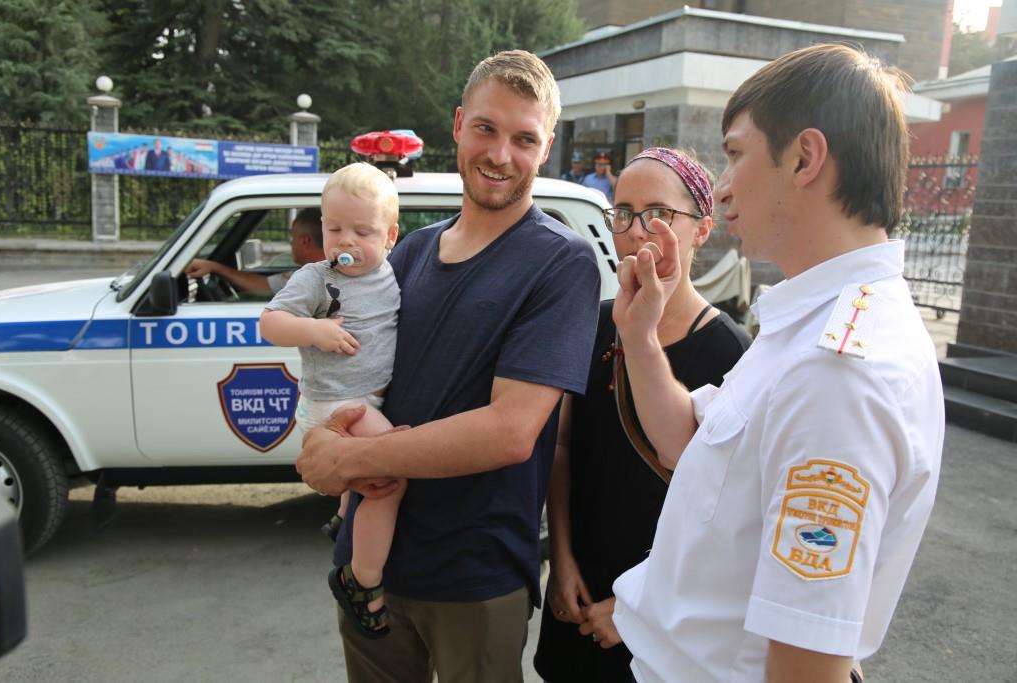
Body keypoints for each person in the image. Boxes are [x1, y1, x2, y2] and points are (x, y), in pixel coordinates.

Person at [602, 44, 944, 682]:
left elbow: (806, 663)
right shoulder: (811, 326)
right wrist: (641, 338)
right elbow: (688, 442)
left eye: (735, 154)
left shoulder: (837, 370)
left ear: (805, 158)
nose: (722, 186)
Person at [296, 50, 601, 683]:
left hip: (472, 577)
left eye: (525, 139)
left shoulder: (561, 262)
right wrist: (324, 433)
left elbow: (511, 432)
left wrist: (350, 460)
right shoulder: (409, 252)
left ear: (545, 148)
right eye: (486, 128)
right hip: (369, 567)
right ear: (459, 125)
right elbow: (358, 372)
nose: (500, 154)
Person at [534, 147, 751, 683]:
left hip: (668, 610)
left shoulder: (730, 353)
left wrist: (641, 604)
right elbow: (563, 446)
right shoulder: (593, 322)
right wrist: (560, 559)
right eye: (623, 212)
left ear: (701, 230)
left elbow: (728, 516)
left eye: (657, 213)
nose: (634, 230)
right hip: (579, 582)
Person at [260, 162, 402, 639]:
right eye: (335, 228)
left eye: (362, 231)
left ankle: (344, 516)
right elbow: (270, 323)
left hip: (366, 398)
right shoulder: (317, 278)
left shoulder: (389, 274)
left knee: (369, 474)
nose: (346, 241)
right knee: (389, 477)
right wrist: (313, 330)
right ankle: (363, 579)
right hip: (337, 404)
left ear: (390, 237)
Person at [184, 208, 325, 294]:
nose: (291, 243)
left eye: (293, 237)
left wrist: (215, 267)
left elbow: (260, 286)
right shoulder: (317, 272)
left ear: (304, 241)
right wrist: (214, 267)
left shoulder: (309, 277)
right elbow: (263, 284)